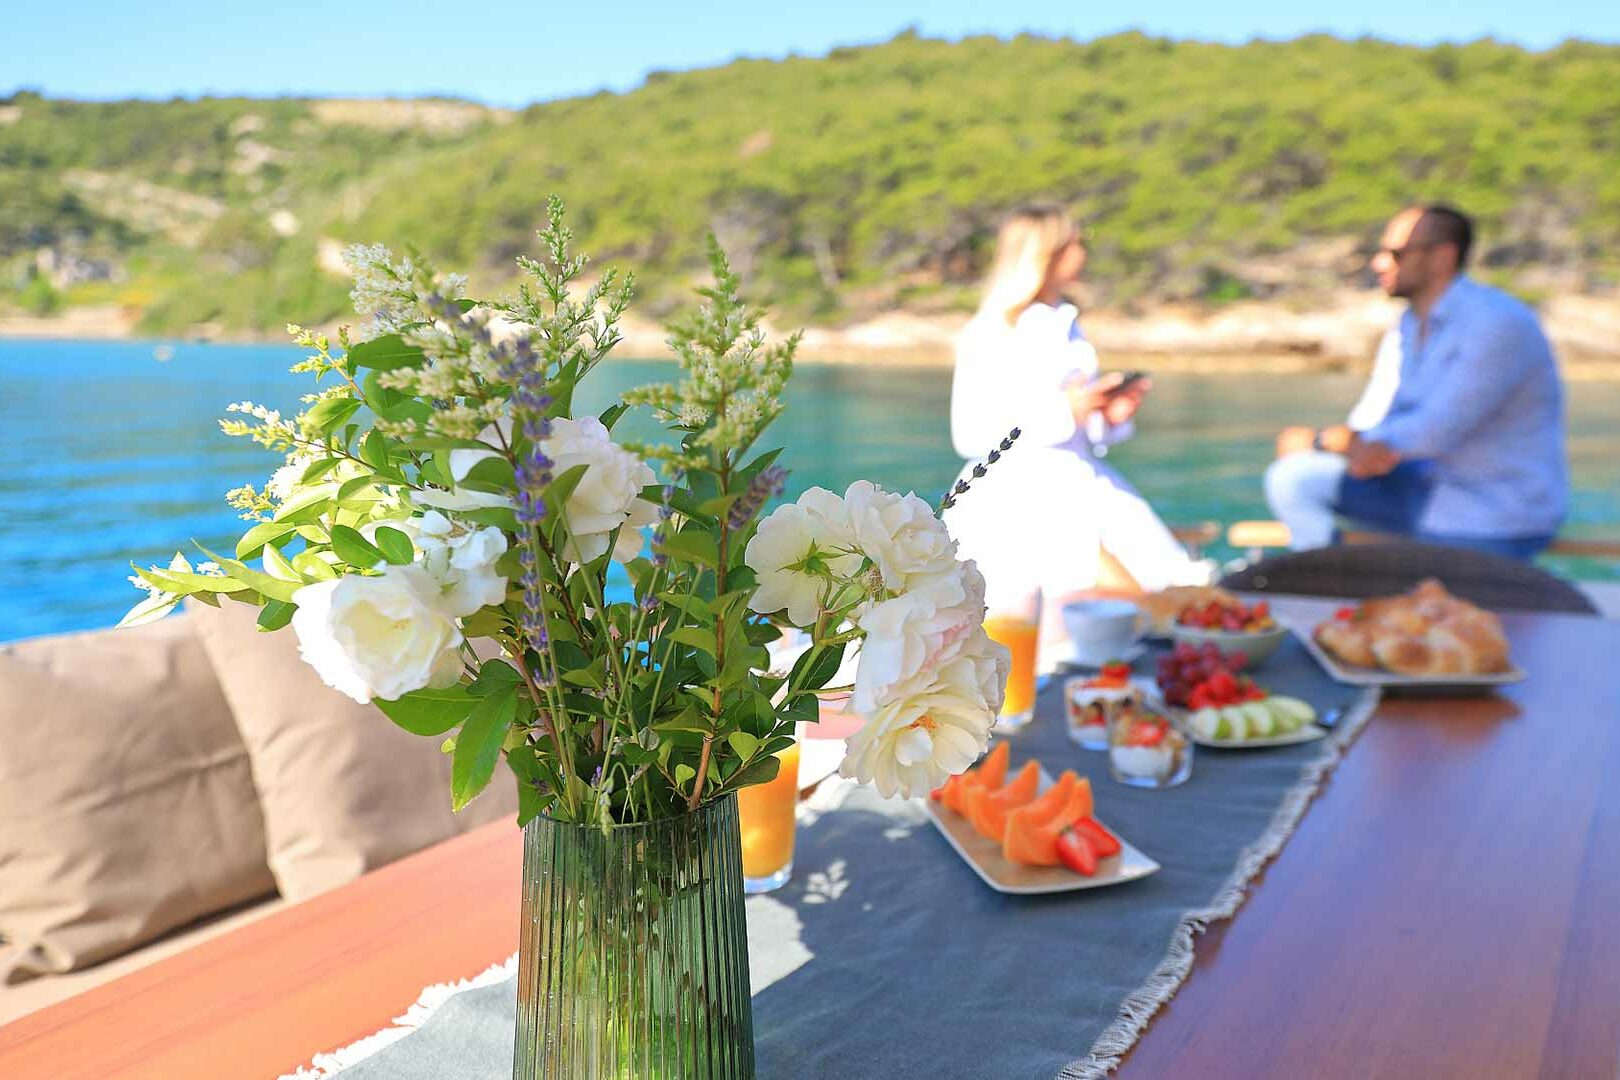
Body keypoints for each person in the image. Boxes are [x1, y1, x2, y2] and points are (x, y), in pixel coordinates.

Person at [945, 205, 1207, 627]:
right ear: (1046, 253)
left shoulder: (1067, 323)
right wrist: (1067, 410)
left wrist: (1108, 415)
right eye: (1075, 243)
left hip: (1082, 482)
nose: (1083, 252)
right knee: (1082, 606)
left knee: (1152, 592)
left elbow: (1076, 421)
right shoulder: (991, 330)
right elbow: (970, 433)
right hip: (1020, 493)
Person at [1264, 205, 1568, 560]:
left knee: (1430, 601)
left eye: (1395, 254)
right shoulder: (1406, 326)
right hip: (1421, 490)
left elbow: (1436, 431)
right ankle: (1322, 578)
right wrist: (1350, 446)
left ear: (1442, 257)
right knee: (1293, 478)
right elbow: (1371, 421)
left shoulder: (1497, 322)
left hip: (1491, 511)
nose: (1379, 264)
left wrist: (1324, 440)